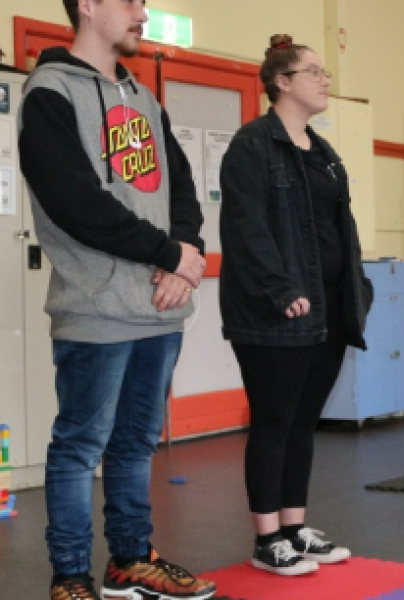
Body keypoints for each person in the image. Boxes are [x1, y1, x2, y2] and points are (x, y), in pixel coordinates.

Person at [18, 1, 215, 598]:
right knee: (80, 446)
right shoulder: (50, 93)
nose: (143, 15)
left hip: (158, 306)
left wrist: (185, 256)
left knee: (135, 443)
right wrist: (166, 254)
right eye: (130, 2)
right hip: (95, 309)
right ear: (89, 6)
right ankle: (70, 574)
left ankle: (131, 561)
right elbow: (75, 203)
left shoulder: (145, 99)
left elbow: (181, 187)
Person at [219, 34, 373, 576]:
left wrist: (358, 290)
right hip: (273, 313)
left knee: (304, 420)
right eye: (313, 72)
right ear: (281, 83)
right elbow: (247, 229)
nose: (325, 80)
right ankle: (267, 540)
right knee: (274, 419)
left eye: (325, 72)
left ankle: (294, 528)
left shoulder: (324, 153)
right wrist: (282, 291)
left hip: (327, 309)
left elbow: (340, 229)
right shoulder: (253, 145)